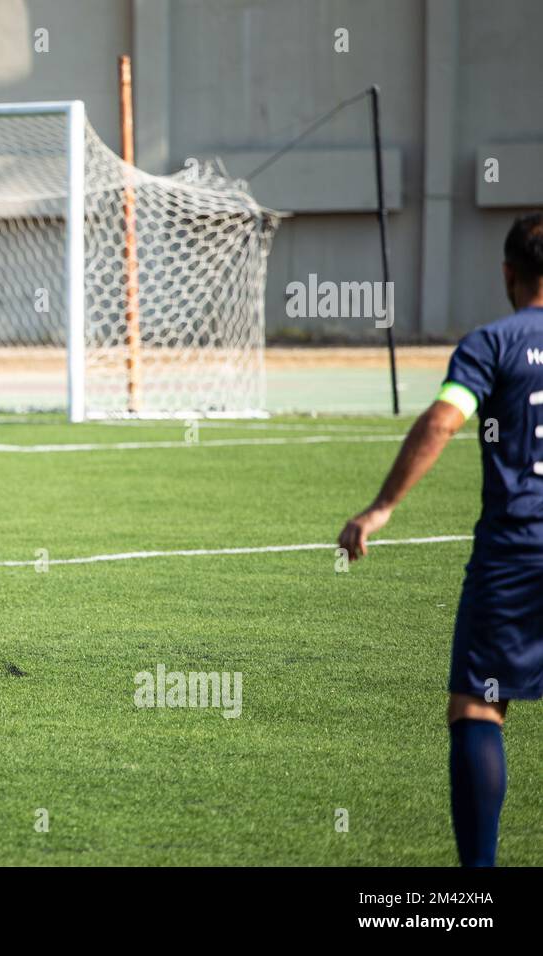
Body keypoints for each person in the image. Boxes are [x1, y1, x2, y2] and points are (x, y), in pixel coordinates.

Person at [338, 212, 543, 865]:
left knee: (480, 707)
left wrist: (382, 506)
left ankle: (477, 884)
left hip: (517, 550)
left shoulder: (493, 343)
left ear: (508, 274)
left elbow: (442, 420)